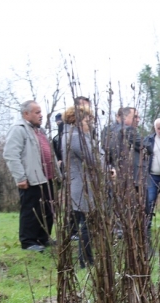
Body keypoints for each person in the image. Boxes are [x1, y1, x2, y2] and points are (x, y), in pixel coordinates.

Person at [3, 100, 55, 252]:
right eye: (37, 112)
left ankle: (42, 238)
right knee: (31, 210)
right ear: (26, 114)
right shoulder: (18, 129)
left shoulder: (40, 131)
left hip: (46, 178)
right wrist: (20, 177)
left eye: (40, 112)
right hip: (31, 179)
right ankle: (28, 242)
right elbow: (11, 155)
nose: (41, 115)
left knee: (46, 210)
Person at [61, 105, 96, 268]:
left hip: (80, 185)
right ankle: (86, 261)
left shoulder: (70, 135)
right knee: (87, 224)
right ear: (78, 120)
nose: (91, 123)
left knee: (85, 223)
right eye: (88, 119)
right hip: (83, 186)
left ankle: (87, 259)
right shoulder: (76, 137)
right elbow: (92, 159)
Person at [102, 106, 142, 186]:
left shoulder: (106, 130)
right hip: (130, 177)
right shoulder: (128, 130)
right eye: (135, 117)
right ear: (124, 117)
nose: (138, 120)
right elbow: (145, 146)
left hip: (112, 174)